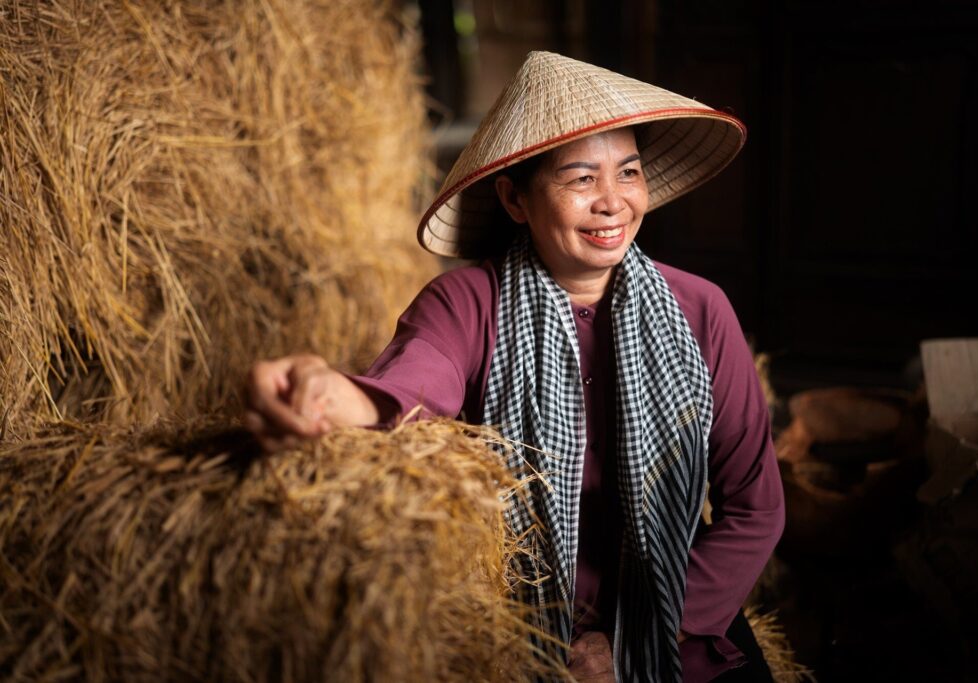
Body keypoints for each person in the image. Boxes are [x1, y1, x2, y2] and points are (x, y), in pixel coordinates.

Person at [245, 52, 784, 683]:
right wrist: (335, 400)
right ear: (515, 199)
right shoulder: (467, 302)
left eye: (628, 173)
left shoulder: (700, 310)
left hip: (673, 613)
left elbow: (755, 509)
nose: (613, 203)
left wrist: (639, 637)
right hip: (519, 623)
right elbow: (411, 386)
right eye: (581, 179)